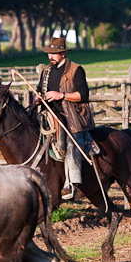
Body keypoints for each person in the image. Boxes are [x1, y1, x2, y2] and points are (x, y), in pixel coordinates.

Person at [35, 37, 94, 200]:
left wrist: (61, 95)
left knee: (71, 143)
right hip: (49, 115)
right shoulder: (46, 71)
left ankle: (73, 184)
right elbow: (39, 89)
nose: (50, 57)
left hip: (72, 116)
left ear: (62, 53)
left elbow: (83, 95)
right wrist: (38, 97)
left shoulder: (76, 70)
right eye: (49, 53)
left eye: (53, 53)